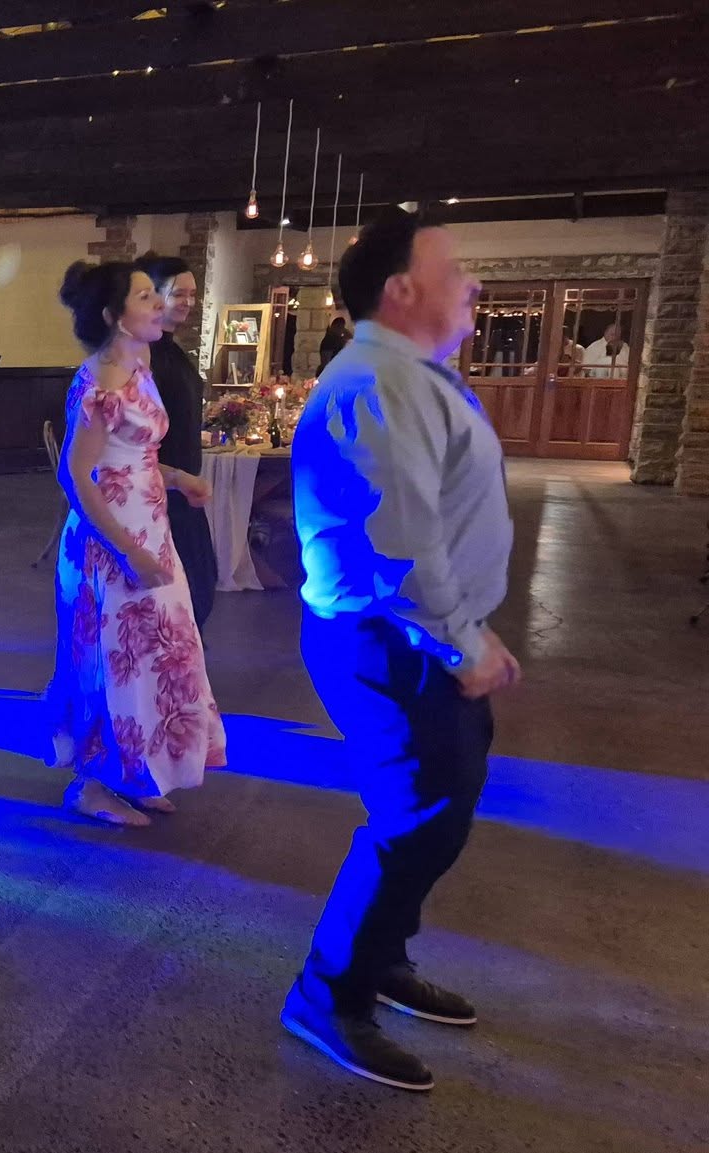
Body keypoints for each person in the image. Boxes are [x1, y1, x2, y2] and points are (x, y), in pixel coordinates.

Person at [285, 208, 517, 1093]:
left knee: (441, 808)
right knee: (417, 816)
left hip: (415, 634)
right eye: (454, 270)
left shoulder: (406, 377)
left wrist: (471, 629)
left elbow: (435, 526)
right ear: (400, 289)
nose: (472, 284)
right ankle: (328, 992)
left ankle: (381, 957)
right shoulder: (376, 385)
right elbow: (402, 546)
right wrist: (461, 641)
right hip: (388, 637)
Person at [47, 260, 225, 828]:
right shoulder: (98, 383)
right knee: (112, 661)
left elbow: (133, 456)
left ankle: (135, 772)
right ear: (113, 316)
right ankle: (92, 785)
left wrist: (177, 478)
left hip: (150, 528)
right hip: (110, 542)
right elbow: (76, 475)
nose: (159, 305)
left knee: (156, 658)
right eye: (146, 296)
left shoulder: (141, 365)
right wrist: (126, 550)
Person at [137, 253, 217, 631]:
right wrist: (176, 477)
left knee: (199, 585)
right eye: (178, 293)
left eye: (192, 294)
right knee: (181, 596)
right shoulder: (146, 356)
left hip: (181, 489)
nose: (188, 301)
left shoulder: (169, 351)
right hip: (162, 490)